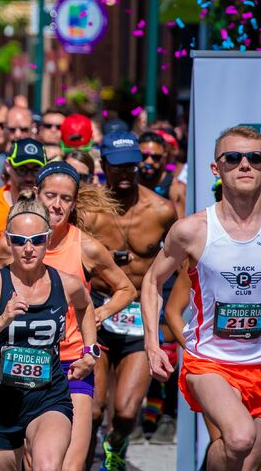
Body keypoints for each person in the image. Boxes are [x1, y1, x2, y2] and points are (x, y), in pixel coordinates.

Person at [0, 161, 136, 471]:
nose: (56, 205)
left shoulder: (87, 247)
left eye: (65, 198)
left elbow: (126, 289)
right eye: (50, 195)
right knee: (32, 461)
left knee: (69, 465)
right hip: (20, 363)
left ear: (74, 202)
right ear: (36, 194)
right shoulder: (9, 245)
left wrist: (98, 315)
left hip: (71, 364)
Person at [141, 125, 261, 471]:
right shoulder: (192, 231)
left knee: (247, 463)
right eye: (233, 158)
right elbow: (152, 281)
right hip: (210, 361)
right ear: (216, 168)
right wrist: (152, 343)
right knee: (239, 439)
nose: (245, 165)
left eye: (255, 158)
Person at [0, 192, 98, 471]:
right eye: (19, 241)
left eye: (37, 240)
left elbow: (86, 306)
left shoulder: (66, 283)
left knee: (47, 466)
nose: (29, 248)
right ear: (8, 241)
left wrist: (90, 350)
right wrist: (3, 319)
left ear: (48, 238)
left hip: (49, 397)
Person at [86, 130, 176, 471]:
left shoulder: (162, 210)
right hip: (98, 309)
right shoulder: (89, 210)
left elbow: (182, 266)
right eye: (118, 166)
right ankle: (85, 456)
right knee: (93, 409)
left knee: (125, 413)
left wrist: (170, 315)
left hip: (140, 315)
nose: (125, 174)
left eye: (131, 167)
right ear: (104, 165)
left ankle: (117, 445)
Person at [138, 131, 186, 216]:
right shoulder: (130, 184)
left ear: (164, 157)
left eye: (155, 157)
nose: (149, 161)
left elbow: (180, 226)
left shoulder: (176, 188)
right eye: (143, 156)